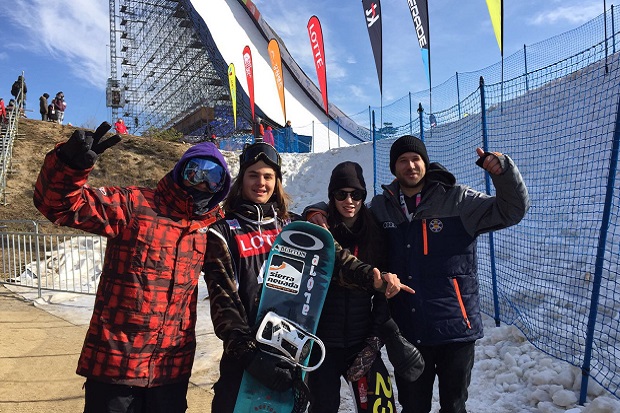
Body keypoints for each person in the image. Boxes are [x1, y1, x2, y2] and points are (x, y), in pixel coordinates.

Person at [308, 135, 529, 413]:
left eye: (416, 159)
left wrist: (504, 173)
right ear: (393, 168)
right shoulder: (382, 206)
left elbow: (512, 211)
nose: (410, 165)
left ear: (424, 162)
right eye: (402, 160)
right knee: (412, 406)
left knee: (454, 406)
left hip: (454, 329)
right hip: (409, 329)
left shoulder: (458, 199)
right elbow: (348, 207)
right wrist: (316, 210)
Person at [33, 121, 232, 413]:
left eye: (212, 177)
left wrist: (315, 213)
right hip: (116, 365)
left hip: (169, 370)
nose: (202, 182)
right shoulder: (134, 205)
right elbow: (60, 205)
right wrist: (68, 166)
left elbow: (259, 230)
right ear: (180, 172)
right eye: (195, 171)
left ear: (221, 186)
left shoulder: (212, 228)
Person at [203, 142, 409, 413]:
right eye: (253, 175)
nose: (260, 183)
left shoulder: (294, 227)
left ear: (277, 182)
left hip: (289, 351)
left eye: (268, 176)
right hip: (244, 357)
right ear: (242, 179)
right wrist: (249, 354)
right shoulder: (223, 232)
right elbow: (224, 303)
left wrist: (375, 279)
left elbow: (336, 263)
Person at [306, 161, 424, 413]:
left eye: (356, 194)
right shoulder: (320, 230)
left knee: (381, 407)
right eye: (341, 194)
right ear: (331, 197)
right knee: (322, 407)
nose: (349, 201)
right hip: (323, 342)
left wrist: (372, 342)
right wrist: (312, 211)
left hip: (359, 340)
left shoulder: (375, 233)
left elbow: (384, 297)